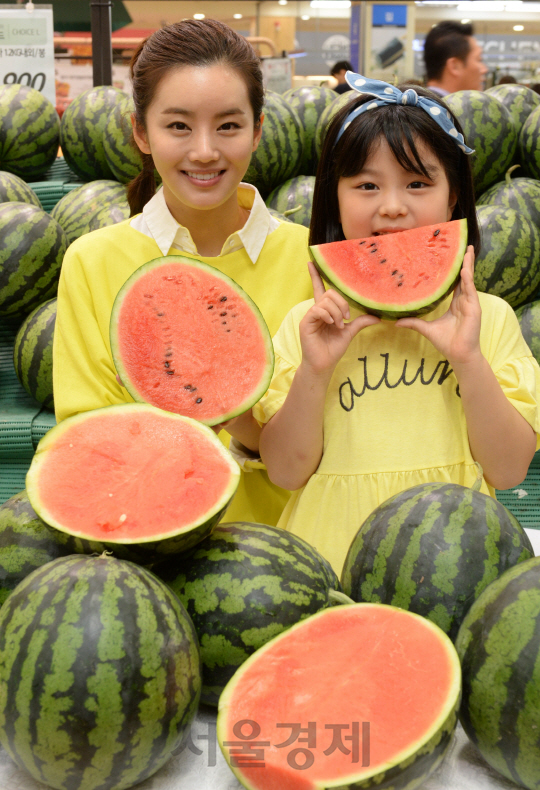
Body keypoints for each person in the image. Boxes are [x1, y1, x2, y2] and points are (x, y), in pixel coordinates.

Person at [253, 73, 540, 574]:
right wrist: (315, 370)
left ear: (454, 199)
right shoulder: (309, 325)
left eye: (417, 184)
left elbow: (509, 467)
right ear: (335, 201)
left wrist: (467, 358)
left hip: (452, 567)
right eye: (366, 185)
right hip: (327, 563)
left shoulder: (488, 320)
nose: (391, 206)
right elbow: (285, 470)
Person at [52, 19, 314, 527]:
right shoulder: (91, 262)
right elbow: (91, 445)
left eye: (228, 125)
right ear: (141, 133)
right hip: (150, 541)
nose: (204, 151)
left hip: (289, 548)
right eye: (178, 126)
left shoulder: (311, 259)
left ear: (258, 131)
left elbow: (327, 443)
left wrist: (242, 420)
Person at [423, 21, 488, 95]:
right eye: (478, 60)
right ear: (454, 66)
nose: (484, 69)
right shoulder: (443, 105)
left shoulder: (420, 103)